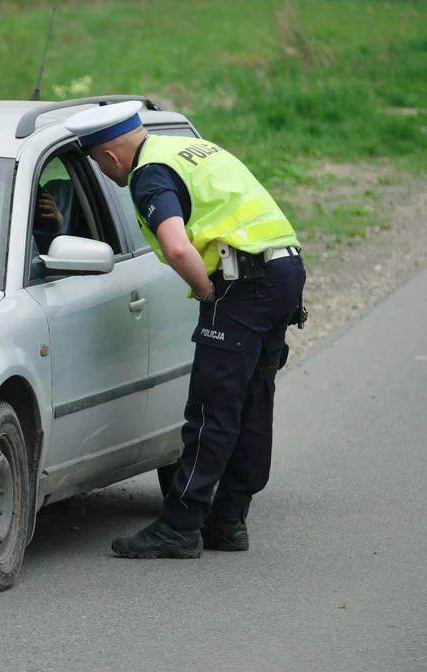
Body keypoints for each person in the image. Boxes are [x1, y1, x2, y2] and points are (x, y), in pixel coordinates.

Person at [63, 100, 307, 559]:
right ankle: (229, 521)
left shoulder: (149, 174)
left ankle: (180, 526)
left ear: (110, 156)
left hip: (241, 285)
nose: (102, 169)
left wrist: (205, 291)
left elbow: (176, 247)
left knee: (213, 407)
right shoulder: (186, 148)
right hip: (284, 272)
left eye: (97, 161)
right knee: (253, 398)